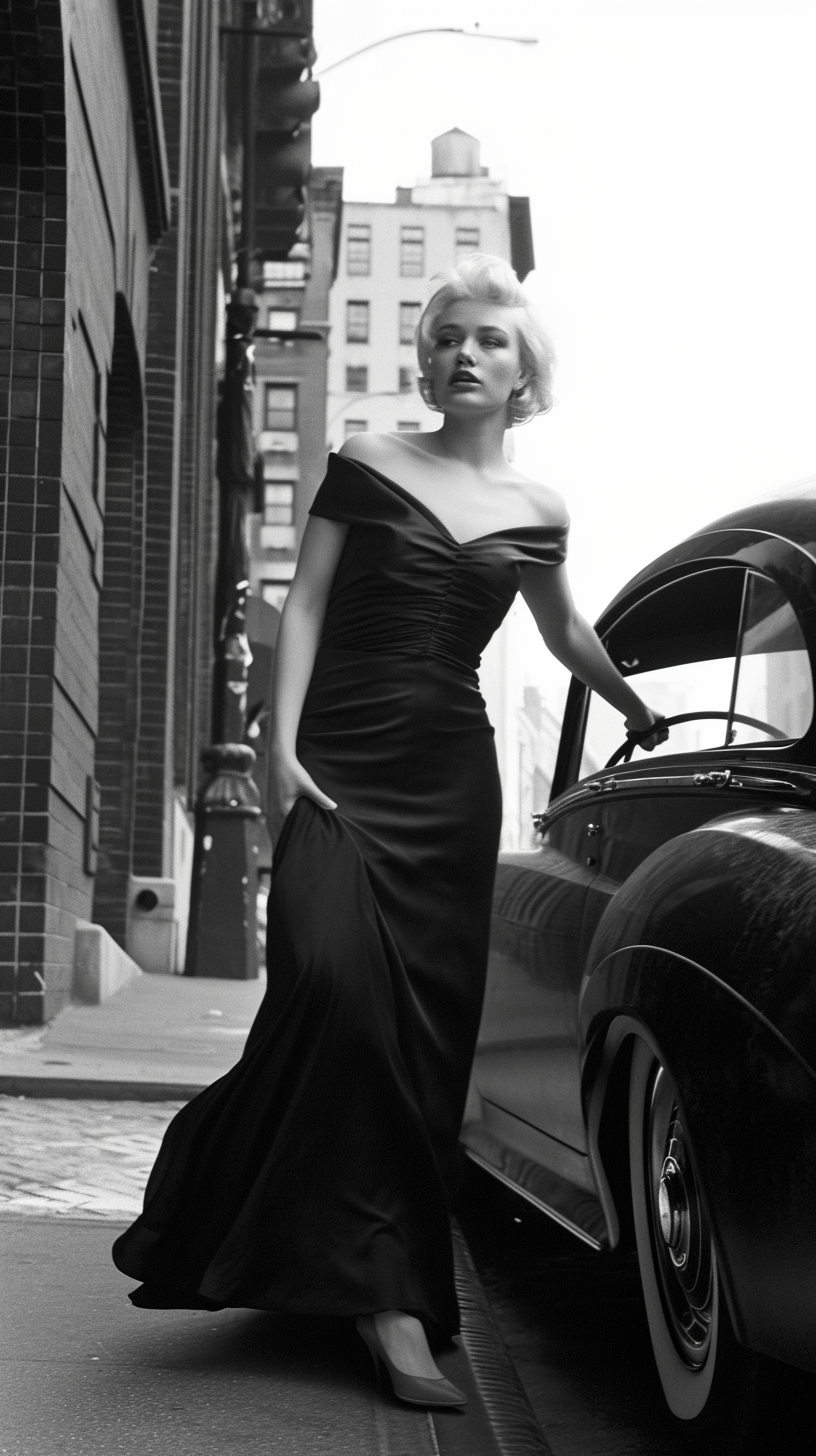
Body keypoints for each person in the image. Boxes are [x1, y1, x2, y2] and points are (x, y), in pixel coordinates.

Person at [112, 254, 665, 1410]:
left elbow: (564, 634)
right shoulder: (368, 461)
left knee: (421, 1044)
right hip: (339, 765)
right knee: (326, 977)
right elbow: (305, 601)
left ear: (525, 376)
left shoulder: (543, 510)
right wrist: (277, 744)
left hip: (448, 781)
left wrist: (630, 702)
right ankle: (273, 1217)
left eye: (492, 340)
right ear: (430, 356)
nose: (465, 351)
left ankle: (393, 1295)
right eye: (450, 334)